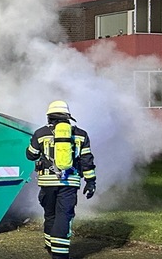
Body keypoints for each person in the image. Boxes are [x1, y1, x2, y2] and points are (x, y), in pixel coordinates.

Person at [26, 100, 97, 259]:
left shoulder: (41, 133)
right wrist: (91, 182)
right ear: (68, 117)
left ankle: (51, 247)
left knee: (50, 214)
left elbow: (31, 155)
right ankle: (60, 255)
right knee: (63, 215)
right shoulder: (81, 134)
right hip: (70, 182)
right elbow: (87, 161)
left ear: (49, 117)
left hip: (47, 182)